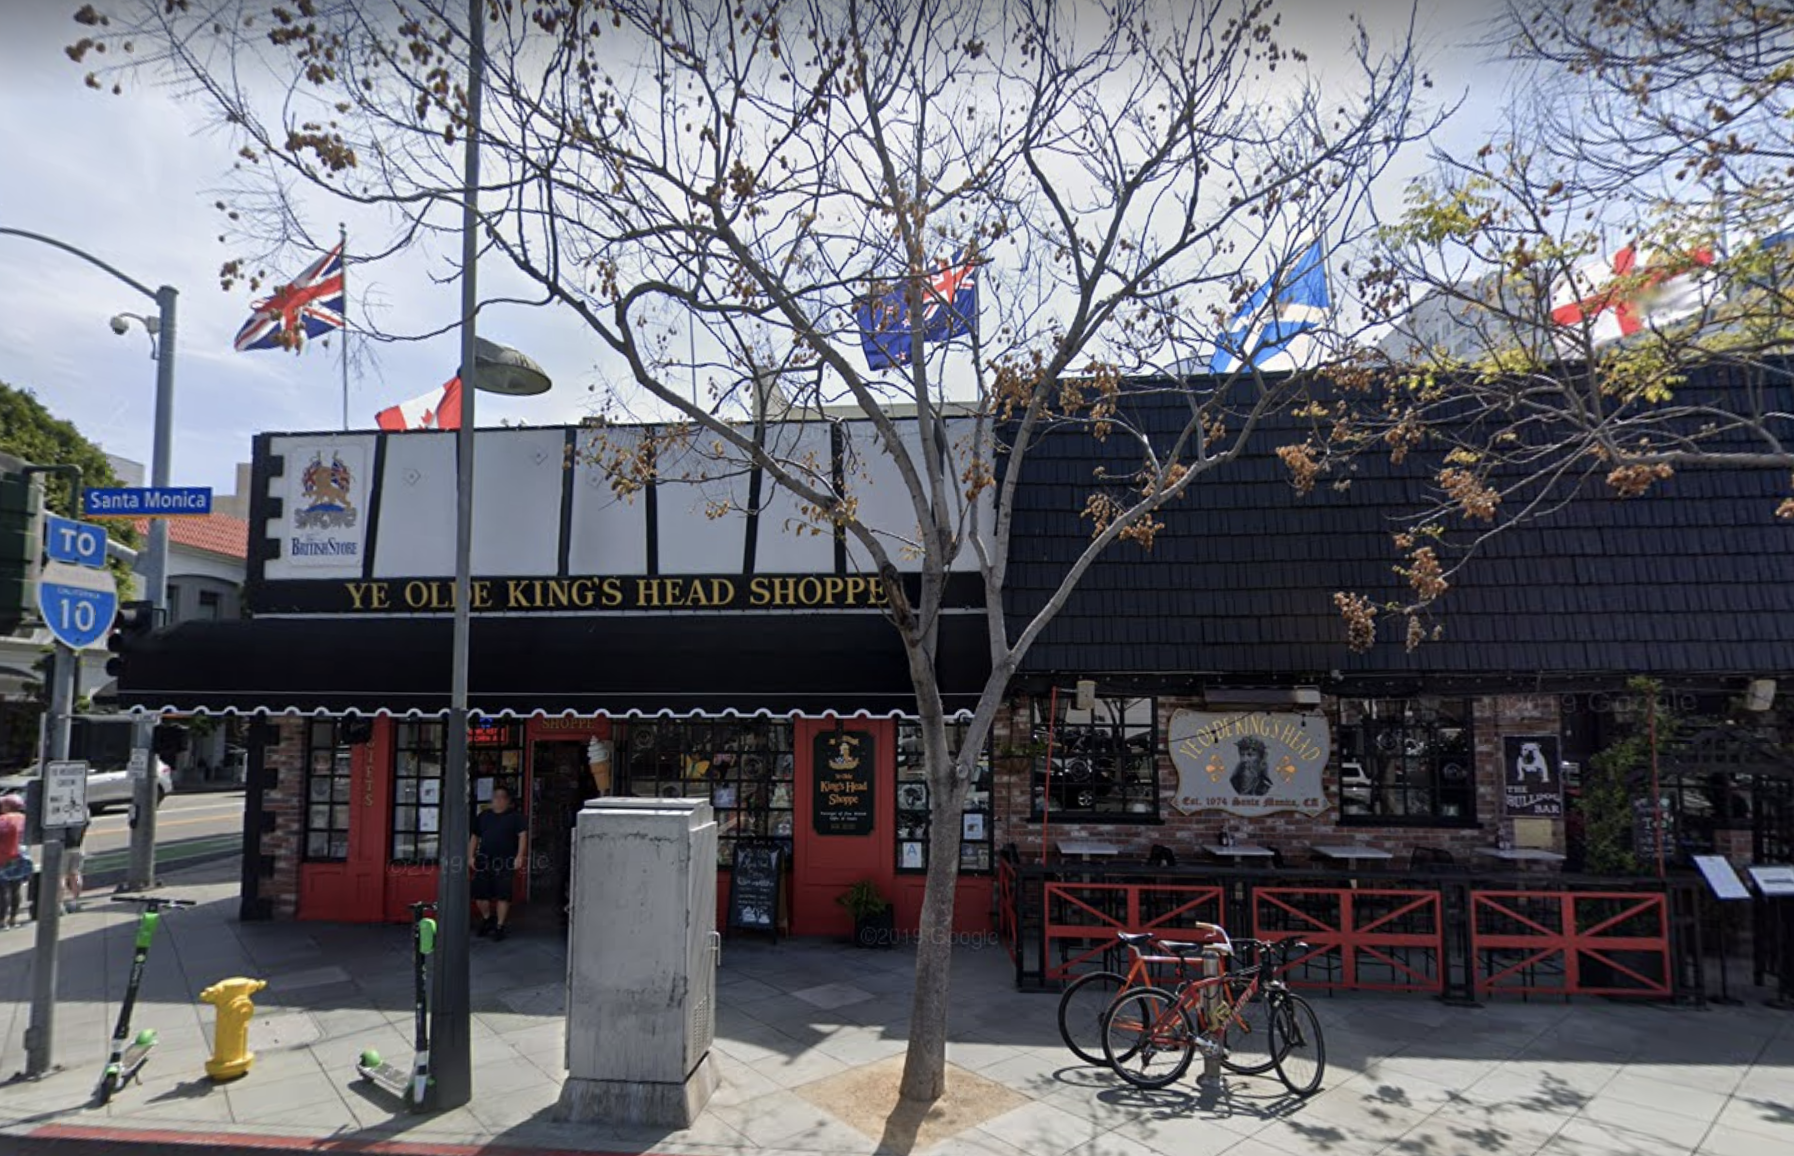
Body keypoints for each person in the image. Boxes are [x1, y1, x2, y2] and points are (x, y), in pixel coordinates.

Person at [470, 784, 527, 941]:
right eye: (496, 797)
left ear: (509, 801)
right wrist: (470, 856)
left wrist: (519, 856)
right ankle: (488, 919)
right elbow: (475, 837)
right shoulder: (484, 816)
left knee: (503, 894)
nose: (499, 800)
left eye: (502, 797)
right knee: (480, 894)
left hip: (506, 860)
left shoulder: (516, 817)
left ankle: (500, 926)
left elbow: (522, 836)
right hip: (484, 859)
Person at [0, 794, 30, 930]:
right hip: (21, 857)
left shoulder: (3, 820)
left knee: (3, 890)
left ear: (8, 806)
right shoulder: (24, 819)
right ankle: (13, 918)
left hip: (3, 857)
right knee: (16, 889)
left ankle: (2, 920)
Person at [62, 821, 87, 914]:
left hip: (63, 847)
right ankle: (75, 901)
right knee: (75, 874)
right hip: (78, 846)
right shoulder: (83, 812)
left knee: (61, 876)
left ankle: (59, 904)